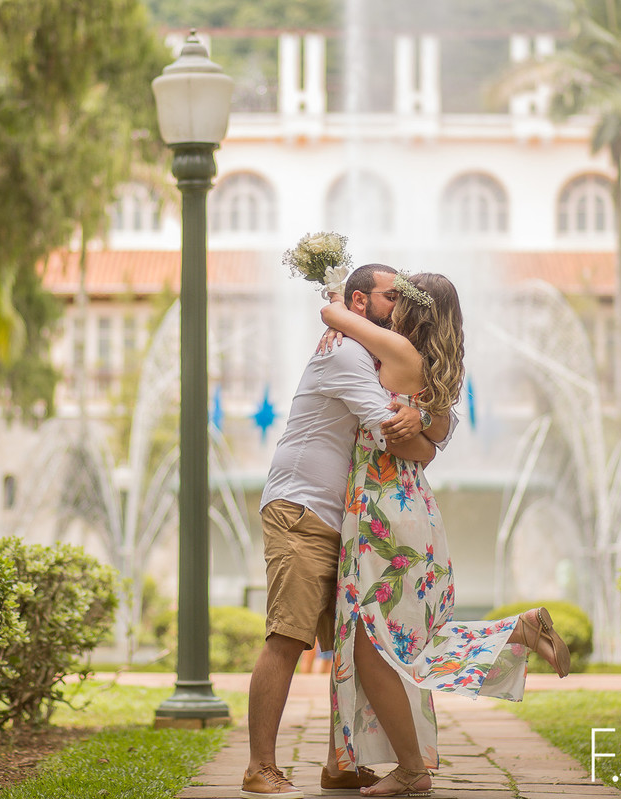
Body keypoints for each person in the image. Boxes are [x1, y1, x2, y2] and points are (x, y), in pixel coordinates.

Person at [320, 272, 572, 798]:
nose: (390, 305)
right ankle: (516, 632)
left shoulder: (394, 351)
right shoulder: (437, 369)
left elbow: (332, 314)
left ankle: (412, 770)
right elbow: (431, 443)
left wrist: (336, 294)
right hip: (414, 508)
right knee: (405, 641)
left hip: (381, 511)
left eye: (398, 297)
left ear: (411, 310)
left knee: (374, 645)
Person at [241, 264, 450, 799]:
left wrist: (425, 426)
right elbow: (392, 434)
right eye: (391, 296)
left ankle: (341, 765)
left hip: (344, 521)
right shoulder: (345, 354)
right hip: (303, 510)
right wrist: (424, 437)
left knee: (358, 647)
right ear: (360, 302)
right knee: (287, 638)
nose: (400, 306)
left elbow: (421, 426)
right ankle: (260, 767)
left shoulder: (365, 350)